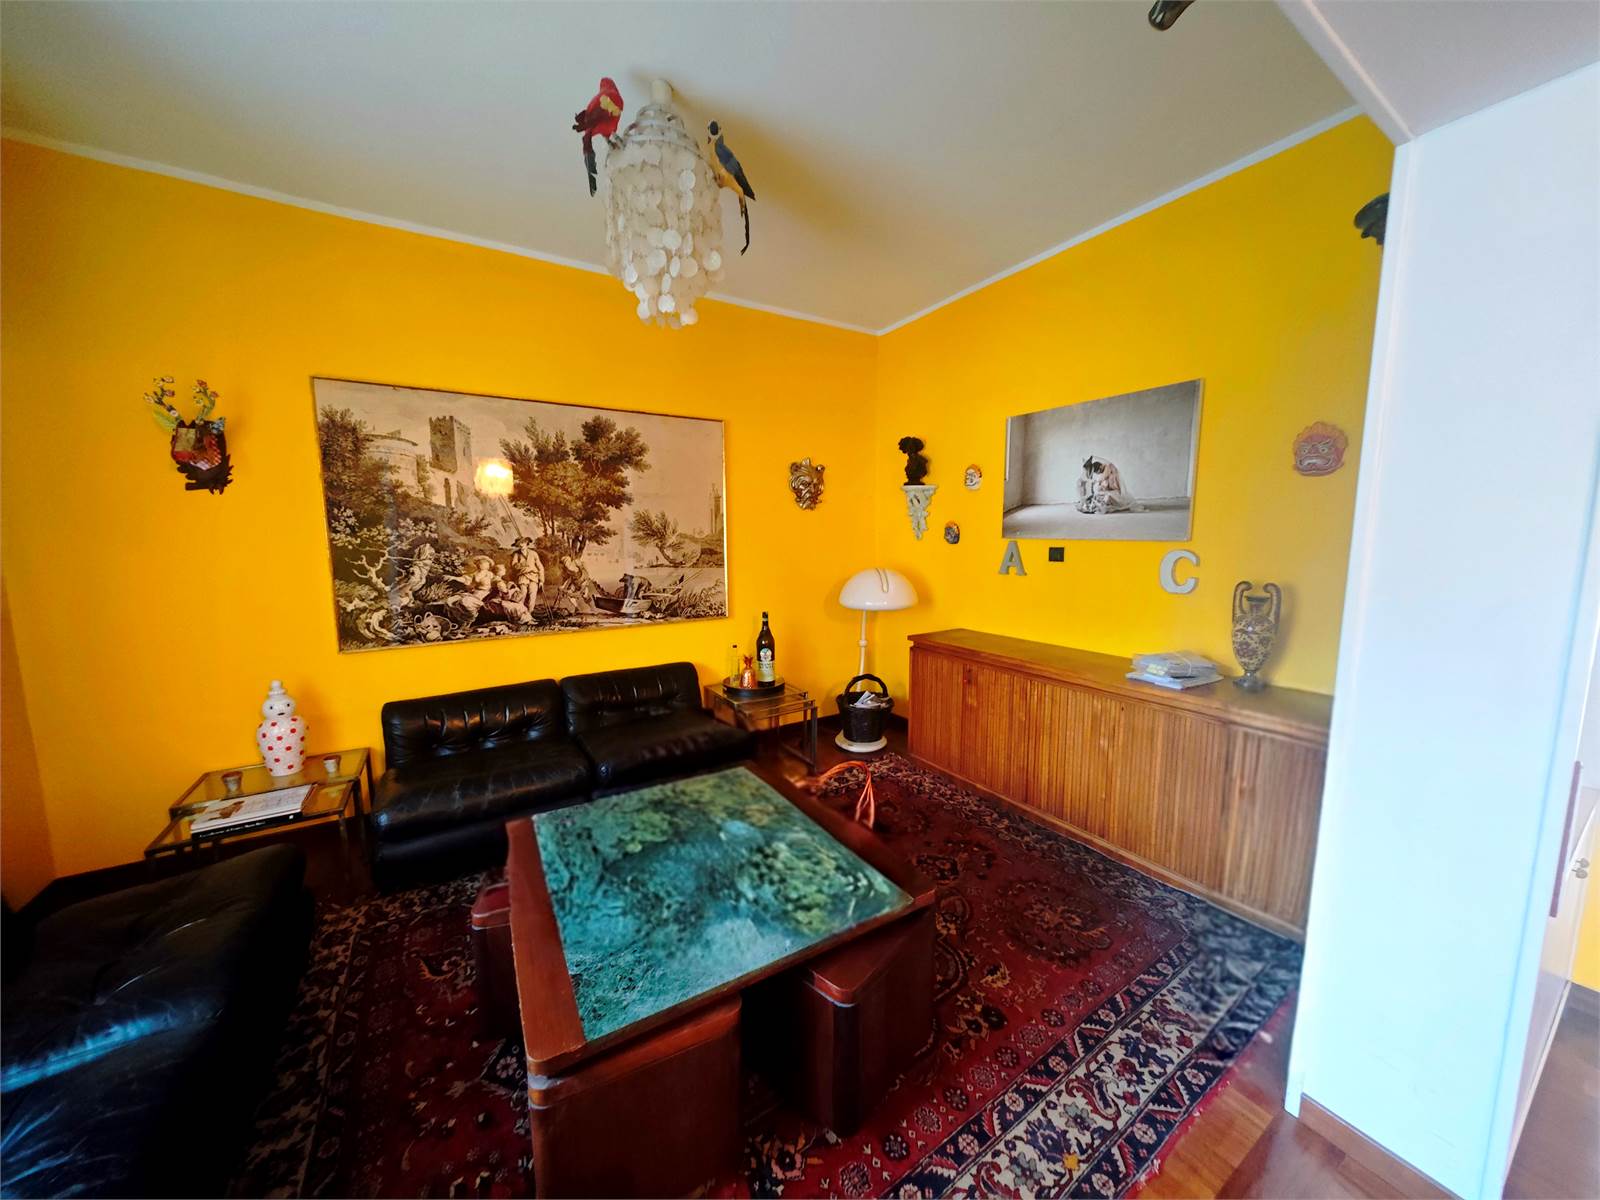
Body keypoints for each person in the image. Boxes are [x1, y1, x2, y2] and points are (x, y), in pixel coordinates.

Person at [1074, 456, 1142, 515]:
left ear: (1101, 466)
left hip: (1116, 492)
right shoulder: (1106, 476)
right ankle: (1092, 506)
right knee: (1099, 498)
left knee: (1106, 498)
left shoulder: (1109, 467)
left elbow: (1105, 479)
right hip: (1111, 491)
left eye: (1099, 472)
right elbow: (1103, 485)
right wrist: (1101, 487)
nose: (1100, 473)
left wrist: (1099, 483)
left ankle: (1099, 505)